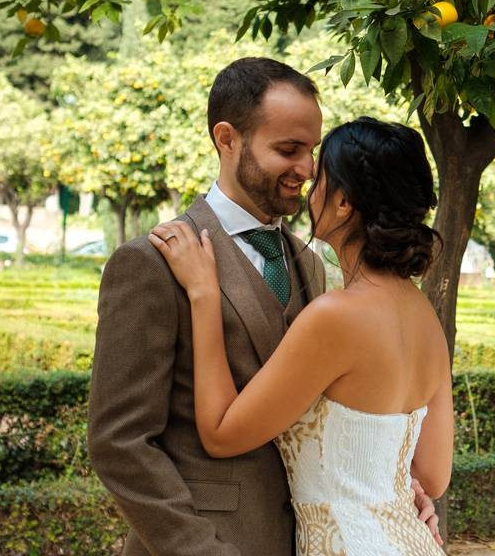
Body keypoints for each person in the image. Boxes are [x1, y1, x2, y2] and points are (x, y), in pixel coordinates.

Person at [88, 60, 440, 556]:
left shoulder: (312, 266)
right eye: (288, 150)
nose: (308, 169)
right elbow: (118, 444)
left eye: (312, 151)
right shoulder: (150, 262)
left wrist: (393, 483)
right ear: (228, 139)